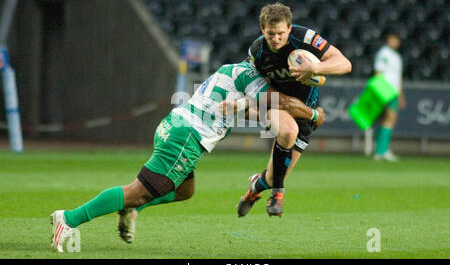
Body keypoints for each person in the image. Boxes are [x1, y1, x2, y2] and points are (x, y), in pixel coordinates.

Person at [50, 61, 325, 252]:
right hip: (187, 137)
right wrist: (313, 114)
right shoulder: (251, 77)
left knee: (184, 191)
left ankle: (134, 208)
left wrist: (263, 115)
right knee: (138, 191)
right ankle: (69, 218)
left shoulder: (233, 71)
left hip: (177, 126)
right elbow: (281, 102)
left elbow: (248, 109)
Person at [237, 2, 352, 217]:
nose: (276, 38)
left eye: (281, 33)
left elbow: (345, 63)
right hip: (278, 104)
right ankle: (278, 195)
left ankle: (255, 189)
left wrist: (315, 67)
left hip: (304, 111)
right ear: (262, 29)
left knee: (272, 177)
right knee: (288, 132)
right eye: (270, 34)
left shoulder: (305, 38)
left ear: (290, 28)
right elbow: (251, 85)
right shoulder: (256, 52)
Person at [373, 31, 405, 162]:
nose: (396, 42)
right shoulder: (384, 53)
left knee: (388, 119)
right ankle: (381, 151)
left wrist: (401, 95)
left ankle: (381, 150)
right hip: (386, 91)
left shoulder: (396, 56)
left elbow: (398, 78)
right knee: (389, 119)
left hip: (394, 92)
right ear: (389, 39)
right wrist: (379, 91)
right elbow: (378, 72)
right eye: (394, 39)